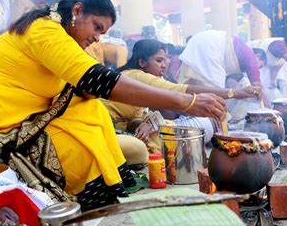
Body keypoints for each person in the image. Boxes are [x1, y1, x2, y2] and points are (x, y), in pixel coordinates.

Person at [0, 0, 226, 211]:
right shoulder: (44, 30)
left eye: (102, 33)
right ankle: (82, 201)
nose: (96, 38)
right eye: (96, 27)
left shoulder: (61, 35)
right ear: (77, 11)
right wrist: (185, 102)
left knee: (90, 111)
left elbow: (86, 89)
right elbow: (99, 80)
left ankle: (97, 196)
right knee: (78, 147)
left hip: (21, 116)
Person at [103, 39, 261, 152]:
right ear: (142, 62)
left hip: (121, 132)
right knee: (160, 138)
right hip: (106, 133)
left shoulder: (141, 77)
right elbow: (181, 90)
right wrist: (235, 93)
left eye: (166, 60)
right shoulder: (137, 76)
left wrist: (142, 125)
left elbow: (133, 117)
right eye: (159, 60)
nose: (164, 65)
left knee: (166, 130)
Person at [178, 30, 263, 121]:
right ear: (258, 57)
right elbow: (257, 87)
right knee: (215, 97)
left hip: (200, 43)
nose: (259, 68)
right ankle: (218, 122)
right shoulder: (252, 58)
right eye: (260, 66)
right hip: (210, 48)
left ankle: (199, 119)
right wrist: (265, 106)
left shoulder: (241, 52)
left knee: (197, 86)